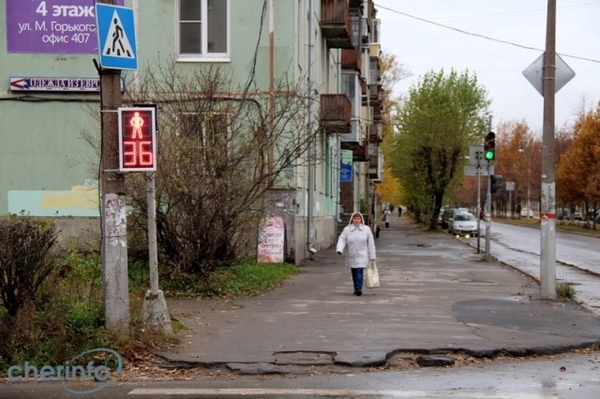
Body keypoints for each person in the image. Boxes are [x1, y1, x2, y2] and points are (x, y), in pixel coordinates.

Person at [336, 212, 376, 297]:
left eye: (358, 219)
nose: (357, 220)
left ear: (361, 220)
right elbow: (342, 239)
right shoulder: (347, 229)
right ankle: (356, 288)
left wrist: (372, 255)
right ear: (352, 220)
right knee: (354, 271)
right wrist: (340, 249)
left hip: (362, 254)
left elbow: (371, 243)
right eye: (355, 219)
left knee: (359, 271)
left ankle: (359, 289)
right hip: (352, 254)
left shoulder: (366, 229)